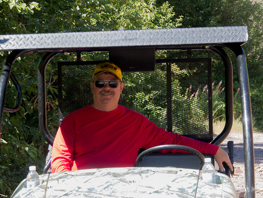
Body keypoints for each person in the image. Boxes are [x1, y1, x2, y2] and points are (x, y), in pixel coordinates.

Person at [51, 62, 233, 173]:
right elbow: (60, 162)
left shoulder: (136, 122)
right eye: (100, 83)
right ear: (92, 86)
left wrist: (213, 149)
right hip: (81, 192)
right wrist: (68, 190)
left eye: (112, 83)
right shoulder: (72, 122)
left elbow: (172, 140)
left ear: (121, 87)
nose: (106, 88)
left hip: (123, 192)